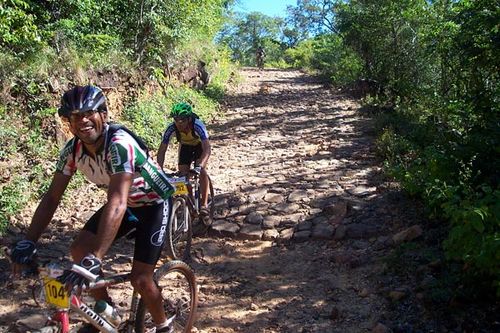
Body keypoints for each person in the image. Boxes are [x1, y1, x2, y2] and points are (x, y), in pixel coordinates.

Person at [9, 85, 176, 333]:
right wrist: (29, 241)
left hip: (153, 204)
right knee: (79, 250)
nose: (83, 121)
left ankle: (163, 325)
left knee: (140, 279)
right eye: (75, 116)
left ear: (103, 115)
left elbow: (117, 201)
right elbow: (52, 197)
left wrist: (96, 258)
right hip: (126, 204)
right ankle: (106, 313)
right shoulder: (72, 150)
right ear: (69, 122)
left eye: (90, 113)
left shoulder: (119, 145)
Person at [157, 102, 211, 218]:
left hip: (199, 146)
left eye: (182, 120)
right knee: (183, 175)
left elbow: (207, 148)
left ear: (189, 119)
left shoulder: (198, 126)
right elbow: (162, 150)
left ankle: (204, 204)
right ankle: (190, 203)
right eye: (176, 120)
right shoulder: (171, 129)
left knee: (201, 171)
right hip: (185, 147)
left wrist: (200, 165)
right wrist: (159, 169)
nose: (179, 123)